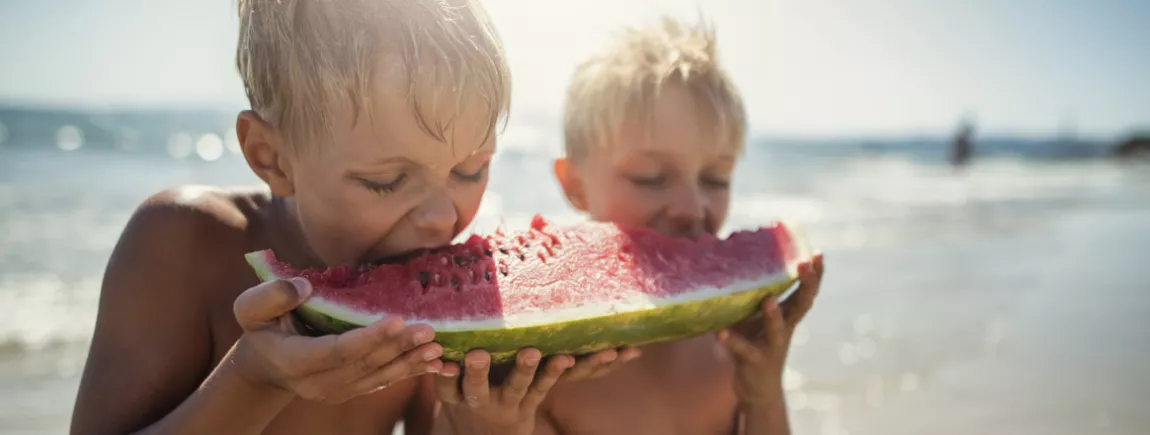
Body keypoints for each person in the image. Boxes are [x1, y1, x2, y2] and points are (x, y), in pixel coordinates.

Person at [70, 1, 626, 433]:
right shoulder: (183, 242)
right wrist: (256, 378)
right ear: (272, 157)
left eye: (470, 169)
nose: (440, 217)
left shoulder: (440, 286)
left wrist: (488, 422)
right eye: (384, 180)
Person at [432, 17, 825, 435]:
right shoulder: (538, 365)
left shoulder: (733, 350)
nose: (693, 207)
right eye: (650, 177)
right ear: (575, 186)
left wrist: (763, 393)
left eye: (716, 179)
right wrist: (491, 423)